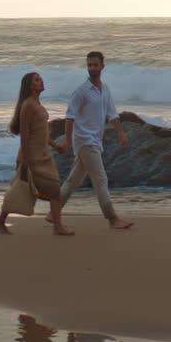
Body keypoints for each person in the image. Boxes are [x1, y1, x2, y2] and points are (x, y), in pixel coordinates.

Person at [55, 51, 135, 229]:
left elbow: (112, 113)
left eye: (95, 65)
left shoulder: (105, 89)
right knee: (101, 179)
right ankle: (112, 219)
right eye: (89, 65)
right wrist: (68, 140)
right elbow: (69, 117)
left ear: (102, 66)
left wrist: (121, 132)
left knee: (73, 181)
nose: (92, 68)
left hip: (95, 141)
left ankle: (53, 213)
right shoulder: (81, 91)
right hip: (84, 140)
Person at [0, 72, 73, 235]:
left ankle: (1, 221)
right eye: (37, 80)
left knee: (51, 190)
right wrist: (25, 157)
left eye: (41, 79)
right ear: (30, 86)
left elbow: (41, 131)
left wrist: (56, 146)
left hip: (44, 156)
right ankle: (57, 227)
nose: (41, 81)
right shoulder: (28, 105)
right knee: (33, 190)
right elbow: (25, 132)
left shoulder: (37, 103)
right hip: (32, 156)